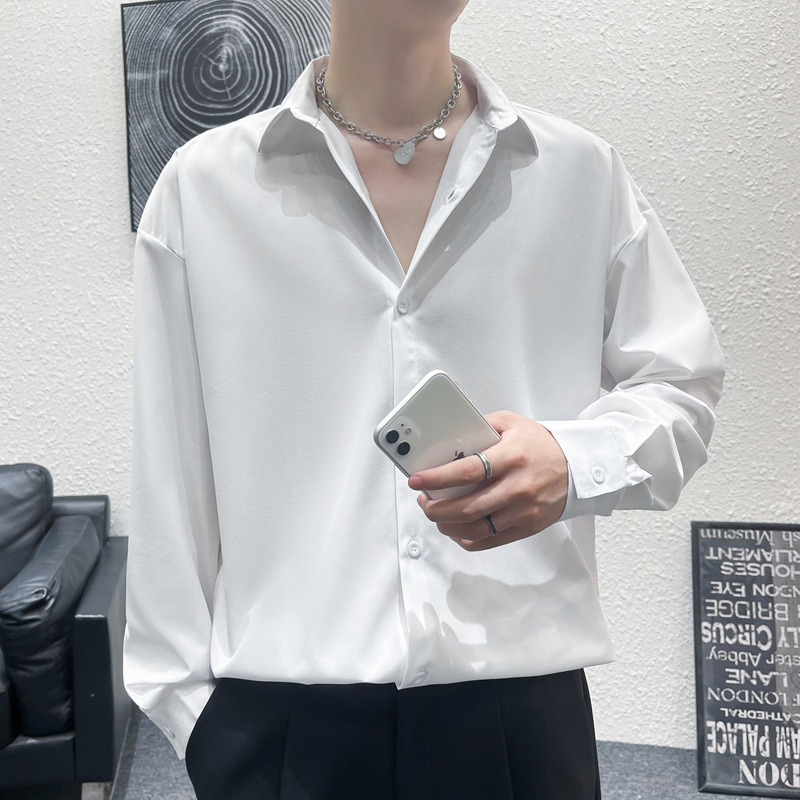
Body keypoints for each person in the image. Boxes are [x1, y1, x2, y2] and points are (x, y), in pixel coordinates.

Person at [124, 0, 724, 797]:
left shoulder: (577, 173)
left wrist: (573, 461)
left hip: (518, 725)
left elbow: (681, 382)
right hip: (280, 729)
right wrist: (191, 717)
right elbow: (169, 469)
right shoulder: (204, 190)